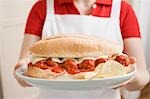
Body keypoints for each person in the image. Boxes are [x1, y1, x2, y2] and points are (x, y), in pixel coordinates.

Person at [14, 0, 150, 99]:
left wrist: (126, 76)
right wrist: (20, 71)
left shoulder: (123, 9)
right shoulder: (42, 7)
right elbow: (23, 72)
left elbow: (142, 78)